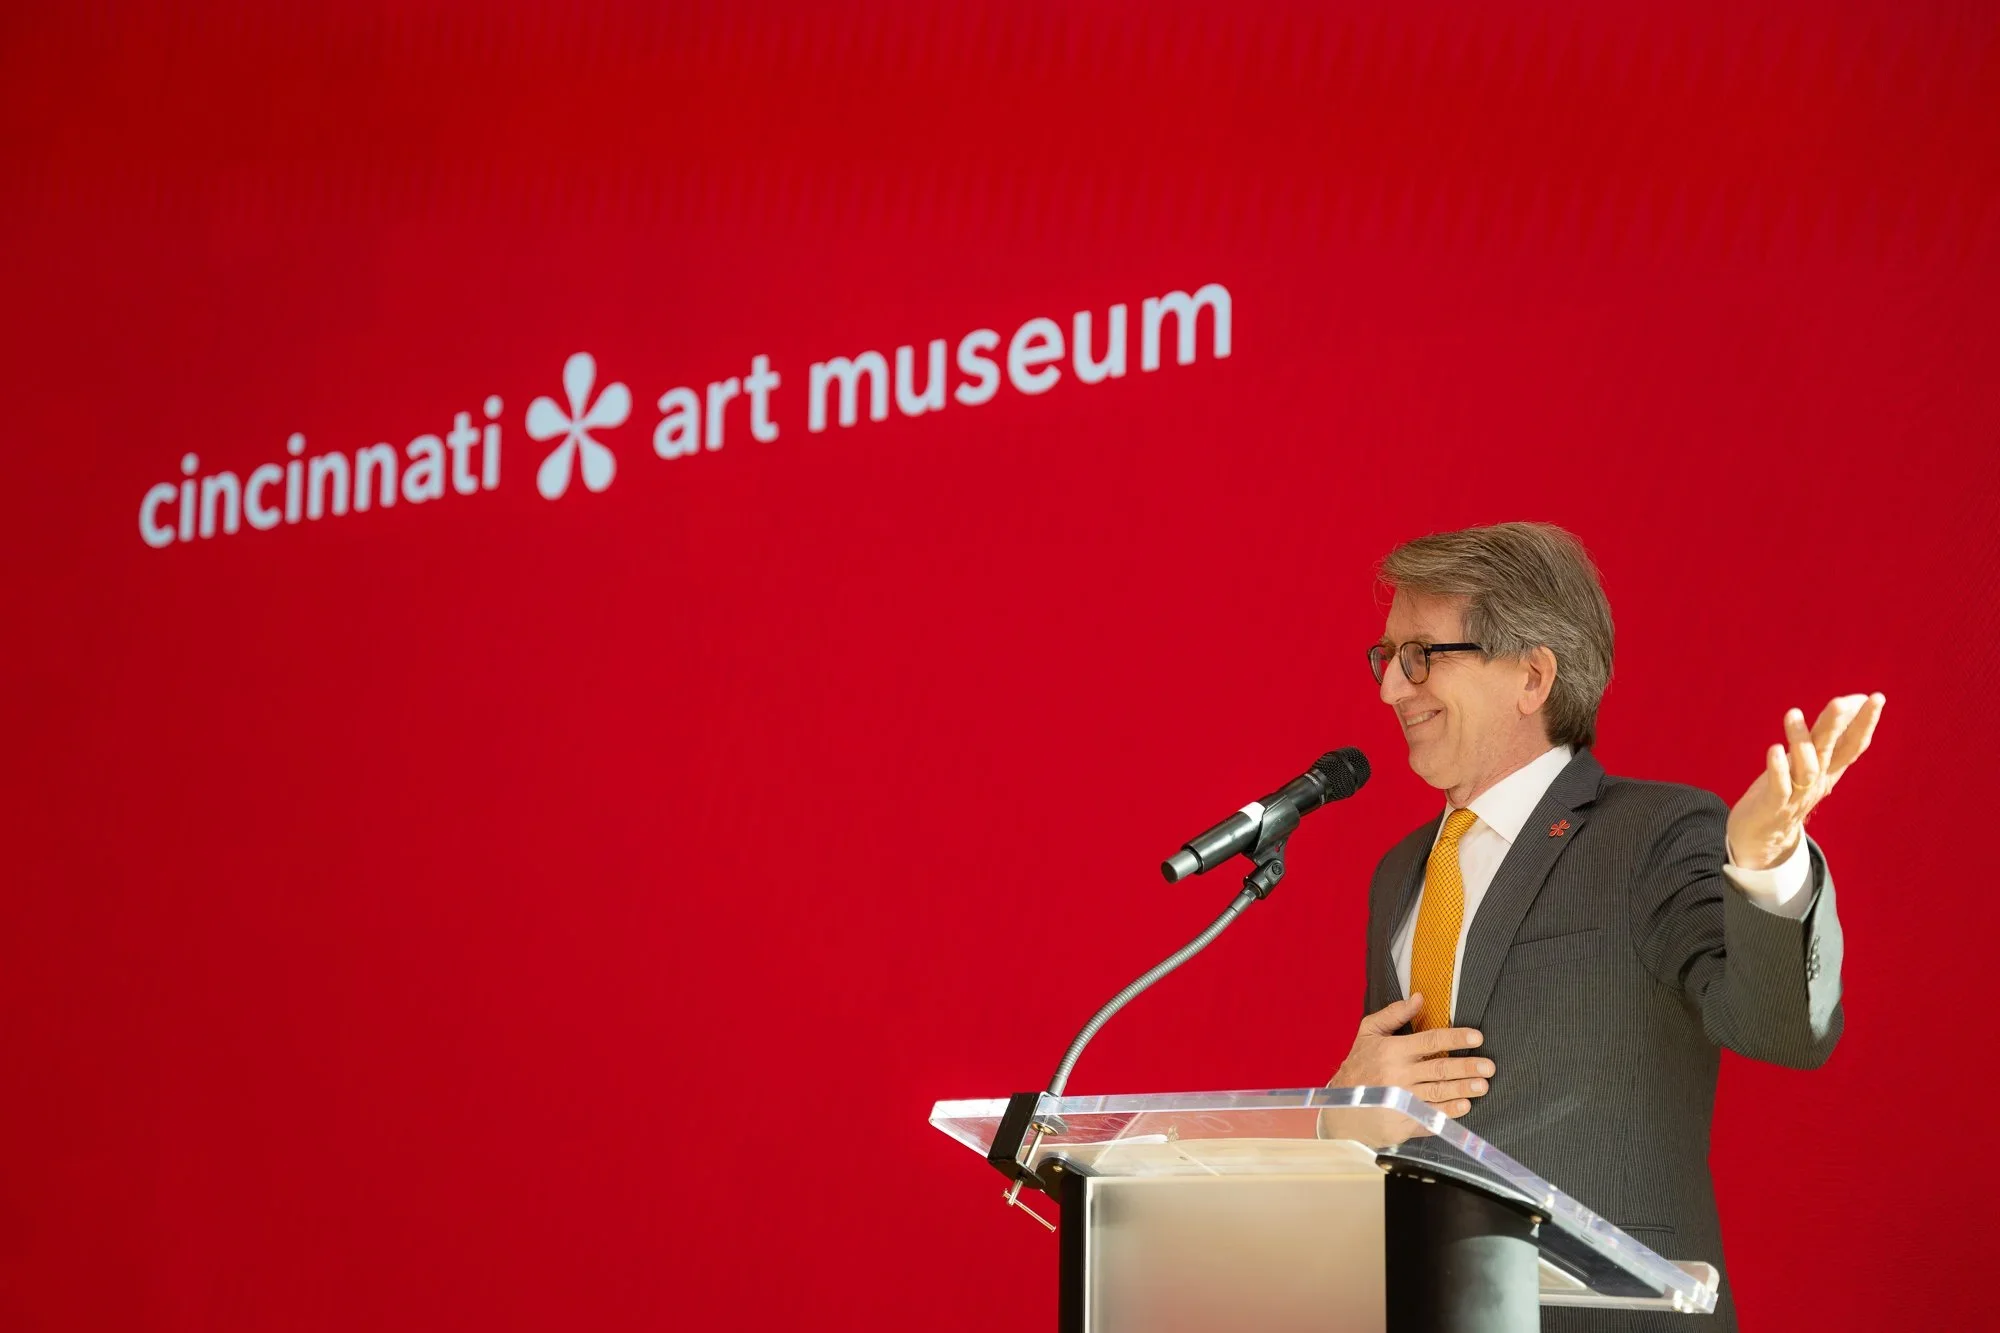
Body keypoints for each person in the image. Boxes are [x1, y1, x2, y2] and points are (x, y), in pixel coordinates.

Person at [1326, 522, 1883, 1332]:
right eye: (1386, 659)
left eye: (1420, 655)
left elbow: (1785, 1027)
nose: (1391, 689)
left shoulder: (1651, 834)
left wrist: (1768, 863)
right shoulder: (1399, 872)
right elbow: (1398, 1113)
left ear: (1531, 674)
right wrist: (1345, 1109)